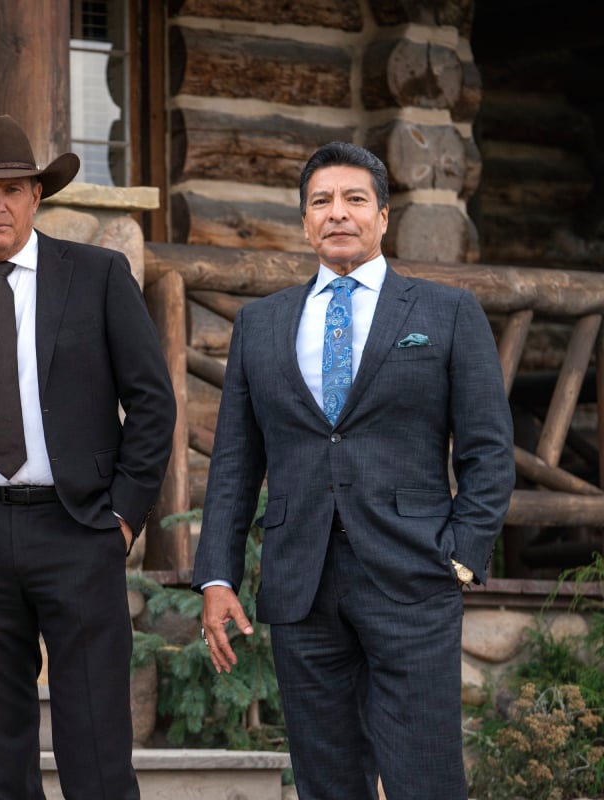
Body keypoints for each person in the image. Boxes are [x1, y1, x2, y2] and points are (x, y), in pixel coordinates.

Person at [193, 141, 515, 799]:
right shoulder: (260, 324)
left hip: (413, 573)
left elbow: (488, 451)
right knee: (327, 781)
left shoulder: (446, 312)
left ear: (383, 216)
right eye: (321, 201)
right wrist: (218, 576)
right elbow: (234, 463)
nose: (337, 213)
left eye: (354, 199)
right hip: (301, 583)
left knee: (425, 778)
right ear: (305, 221)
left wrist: (462, 556)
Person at [0, 114, 176, 800]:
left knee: (97, 750)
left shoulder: (98, 276)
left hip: (79, 529)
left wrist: (122, 517)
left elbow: (152, 403)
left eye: (13, 190)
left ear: (36, 196)